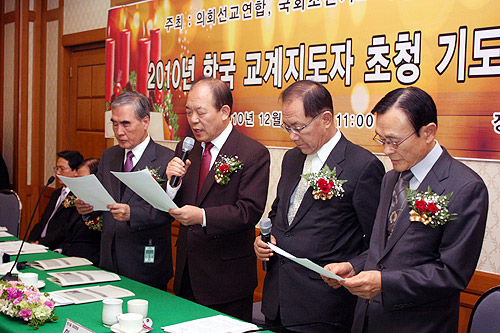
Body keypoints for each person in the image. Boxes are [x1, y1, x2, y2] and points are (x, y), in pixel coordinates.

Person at [323, 87, 488, 333]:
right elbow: (383, 250)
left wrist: (384, 283)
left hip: (419, 325)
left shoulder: (465, 187)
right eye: (381, 139)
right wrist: (354, 265)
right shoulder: (390, 179)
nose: (387, 150)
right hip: (368, 319)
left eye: (394, 141)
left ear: (428, 132)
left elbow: (452, 274)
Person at [253, 80, 385, 332]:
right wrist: (263, 241)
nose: (292, 136)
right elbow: (279, 214)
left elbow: (379, 243)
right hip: (277, 301)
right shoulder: (292, 159)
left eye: (298, 127)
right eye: (286, 127)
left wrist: (353, 266)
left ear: (326, 119)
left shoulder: (362, 166)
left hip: (324, 308)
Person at [166, 77, 270, 322]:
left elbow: (248, 211)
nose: (193, 120)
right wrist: (172, 184)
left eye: (200, 112)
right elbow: (176, 198)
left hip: (227, 280)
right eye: (189, 112)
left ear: (224, 112)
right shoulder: (186, 147)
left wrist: (202, 217)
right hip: (187, 271)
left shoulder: (252, 153)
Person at [76, 91, 175, 289]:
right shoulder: (110, 155)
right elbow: (102, 197)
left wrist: (132, 214)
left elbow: (170, 211)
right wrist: (87, 207)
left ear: (145, 122)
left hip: (145, 261)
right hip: (109, 258)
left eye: (126, 124)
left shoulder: (167, 160)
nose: (119, 131)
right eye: (114, 123)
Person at [28, 150, 84, 250]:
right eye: (57, 168)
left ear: (76, 171)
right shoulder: (56, 193)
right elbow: (43, 221)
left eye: (62, 169)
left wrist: (40, 243)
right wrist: (31, 241)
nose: (57, 173)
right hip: (38, 244)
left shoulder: (79, 197)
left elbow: (65, 230)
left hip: (55, 247)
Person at [62, 158, 102, 265]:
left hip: (90, 262)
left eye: (81, 179)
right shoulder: (77, 199)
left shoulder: (105, 203)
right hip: (67, 258)